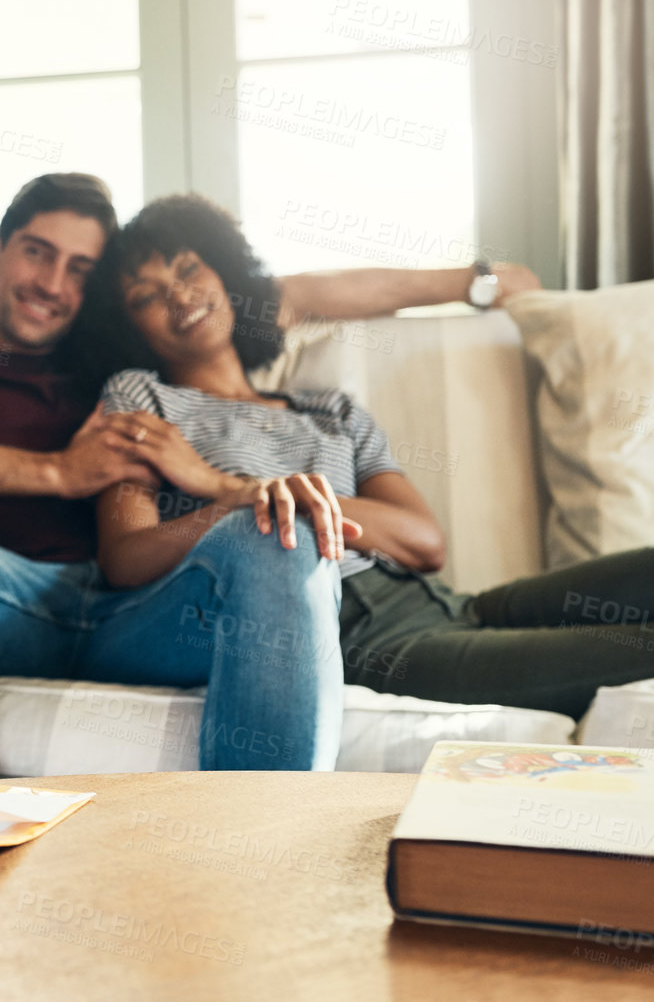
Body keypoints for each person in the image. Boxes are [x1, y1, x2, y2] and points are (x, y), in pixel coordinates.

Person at [0, 173, 542, 779]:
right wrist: (58, 472)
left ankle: (259, 856)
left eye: (80, 271)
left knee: (270, 528)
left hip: (148, 614)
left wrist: (473, 281)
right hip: (5, 598)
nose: (52, 283)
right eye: (37, 252)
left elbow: (302, 291)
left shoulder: (129, 366)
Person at [82, 193, 654, 732]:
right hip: (368, 639)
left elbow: (424, 542)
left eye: (187, 270)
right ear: (129, 327)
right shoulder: (142, 399)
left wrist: (220, 484)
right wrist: (248, 503)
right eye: (146, 296)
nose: (179, 297)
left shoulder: (330, 410)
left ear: (224, 274)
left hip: (452, 605)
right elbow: (127, 559)